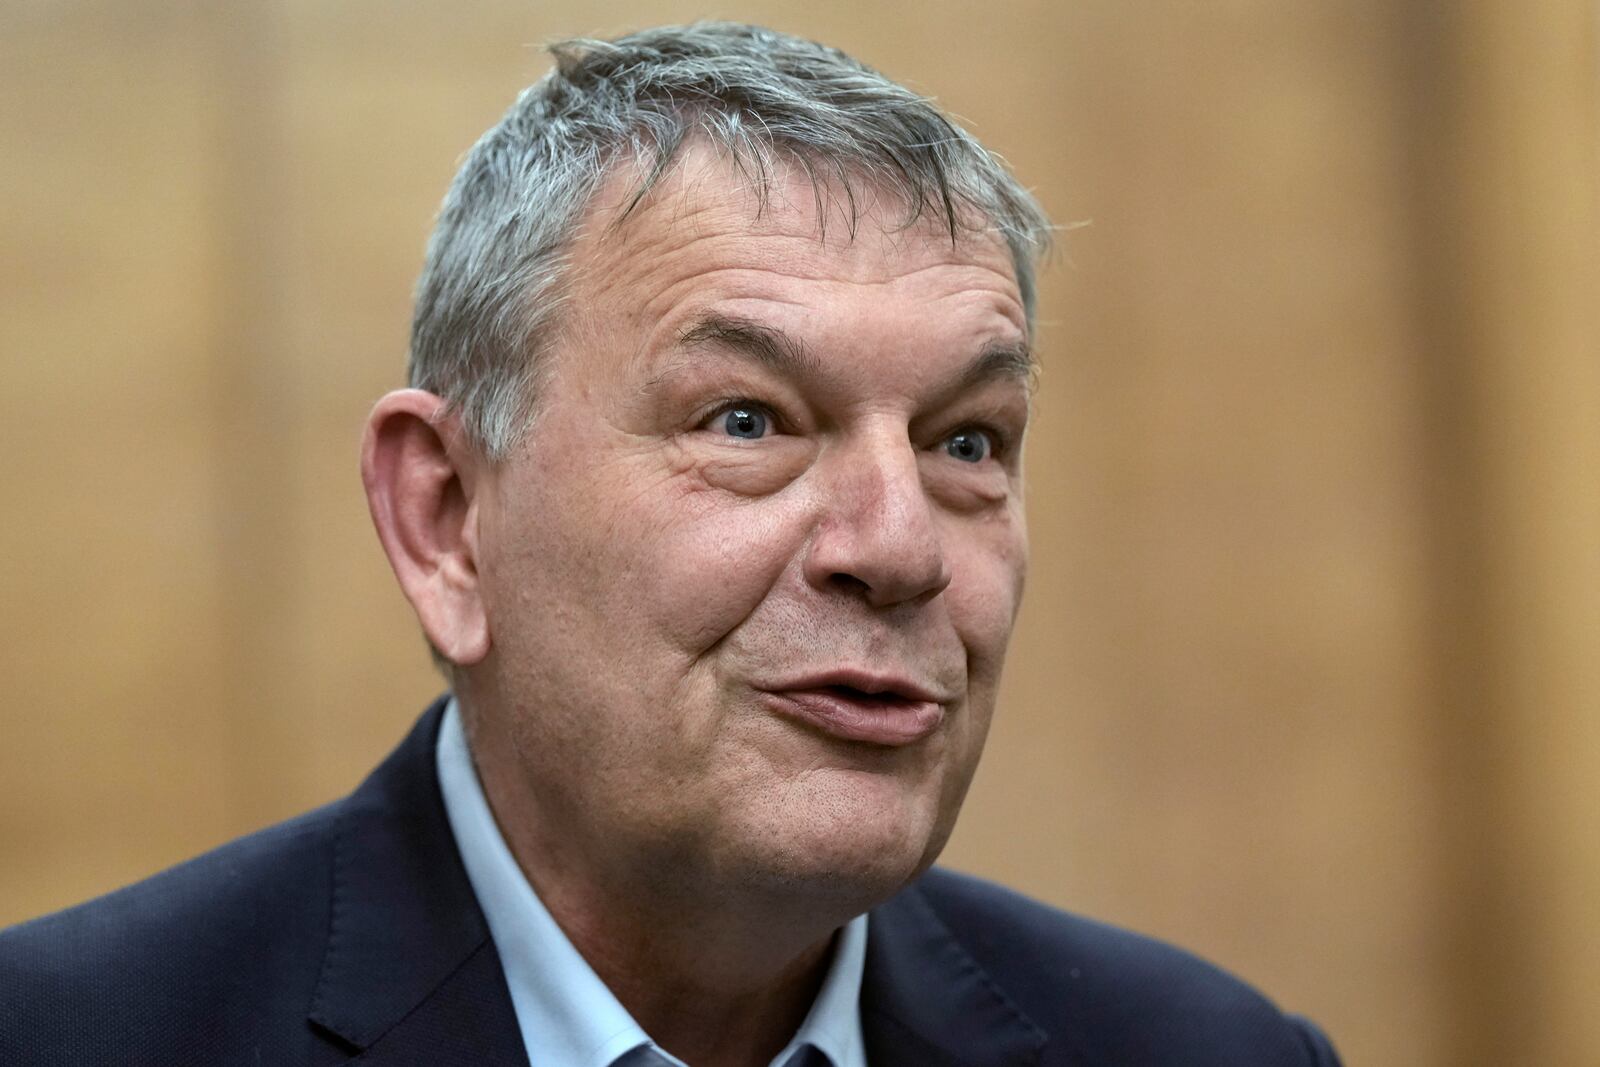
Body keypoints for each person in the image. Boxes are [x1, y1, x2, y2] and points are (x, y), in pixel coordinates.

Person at [0, 23, 1341, 1066]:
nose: (901, 549)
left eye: (967, 442)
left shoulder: (1203, 1051)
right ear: (447, 522)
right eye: (748, 420)